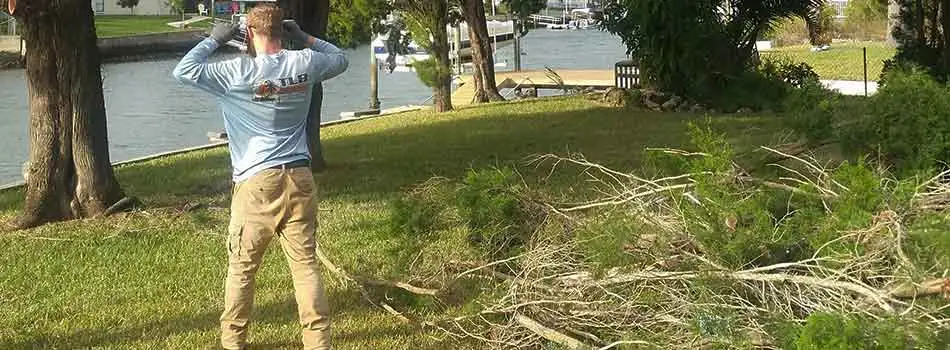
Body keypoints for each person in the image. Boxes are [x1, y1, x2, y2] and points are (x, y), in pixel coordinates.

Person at [172, 4, 348, 350]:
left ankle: (233, 343)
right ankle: (318, 343)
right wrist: (303, 36)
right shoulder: (304, 63)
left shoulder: (235, 71)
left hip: (256, 184)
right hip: (299, 177)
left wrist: (214, 39)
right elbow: (340, 58)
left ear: (248, 34)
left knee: (242, 268)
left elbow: (184, 71)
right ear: (282, 32)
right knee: (305, 266)